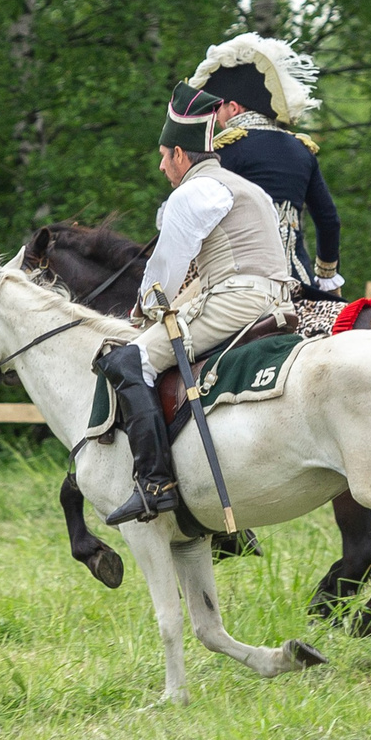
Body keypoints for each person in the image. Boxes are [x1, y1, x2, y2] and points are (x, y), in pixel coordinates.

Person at [102, 83, 294, 526]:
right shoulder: (246, 188)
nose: (162, 164)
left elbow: (166, 270)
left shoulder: (192, 193)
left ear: (181, 156)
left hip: (236, 301)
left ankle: (154, 484)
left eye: (165, 154)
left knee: (132, 361)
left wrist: (142, 312)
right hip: (274, 299)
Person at [186, 33, 345, 298]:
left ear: (234, 108)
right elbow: (329, 221)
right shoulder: (301, 150)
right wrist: (326, 278)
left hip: (242, 287)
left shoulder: (223, 150)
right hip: (300, 284)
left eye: (217, 110)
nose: (215, 119)